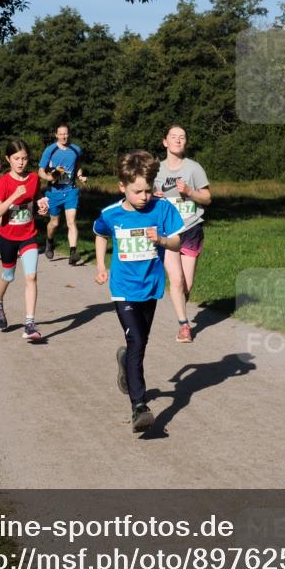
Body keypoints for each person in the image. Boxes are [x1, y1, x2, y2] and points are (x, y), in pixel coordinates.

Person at [93, 150, 184, 433]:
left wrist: (163, 240)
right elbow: (99, 233)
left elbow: (178, 243)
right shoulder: (111, 214)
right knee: (136, 343)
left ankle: (124, 363)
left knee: (140, 342)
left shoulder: (162, 208)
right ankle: (139, 407)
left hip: (151, 286)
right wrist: (100, 265)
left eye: (148, 190)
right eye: (137, 191)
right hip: (123, 288)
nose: (144, 196)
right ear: (122, 187)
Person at [153, 125, 211, 343]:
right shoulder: (156, 171)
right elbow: (143, 197)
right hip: (169, 232)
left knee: (186, 285)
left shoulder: (194, 169)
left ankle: (181, 307)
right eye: (173, 137)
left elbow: (207, 198)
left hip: (192, 229)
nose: (178, 140)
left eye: (182, 137)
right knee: (176, 281)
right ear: (165, 142)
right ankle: (184, 326)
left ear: (185, 142)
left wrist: (190, 192)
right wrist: (154, 197)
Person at [0, 139, 49, 340]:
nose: (21, 162)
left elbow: (36, 198)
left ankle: (30, 324)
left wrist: (42, 206)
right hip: (7, 238)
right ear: (8, 159)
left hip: (28, 236)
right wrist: (13, 196)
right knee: (8, 276)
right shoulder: (2, 183)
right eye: (16, 159)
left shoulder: (33, 178)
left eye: (24, 158)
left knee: (31, 277)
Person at [38, 123, 87, 265]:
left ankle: (73, 253)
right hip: (54, 192)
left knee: (71, 221)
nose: (63, 136)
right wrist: (49, 178)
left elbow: (77, 166)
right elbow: (40, 170)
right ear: (56, 135)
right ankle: (50, 241)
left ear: (69, 134)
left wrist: (80, 176)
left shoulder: (76, 149)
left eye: (66, 133)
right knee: (54, 223)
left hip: (70, 190)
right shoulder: (50, 150)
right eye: (60, 134)